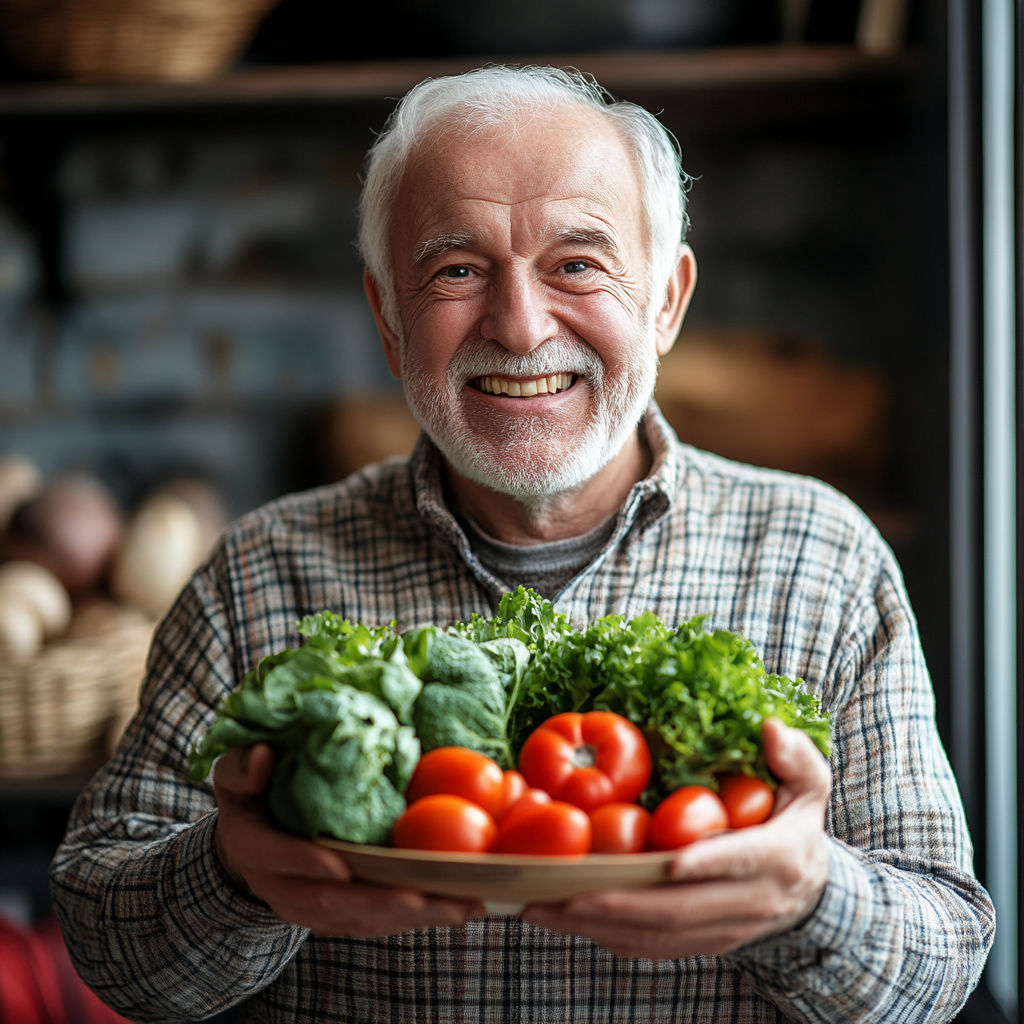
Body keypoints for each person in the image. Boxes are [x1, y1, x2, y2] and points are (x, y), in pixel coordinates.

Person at [51, 66, 993, 1023]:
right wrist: (229, 877)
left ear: (666, 299)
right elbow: (106, 942)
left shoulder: (822, 560)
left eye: (577, 264)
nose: (520, 324)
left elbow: (941, 964)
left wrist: (809, 897)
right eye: (457, 270)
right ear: (387, 317)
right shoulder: (257, 575)